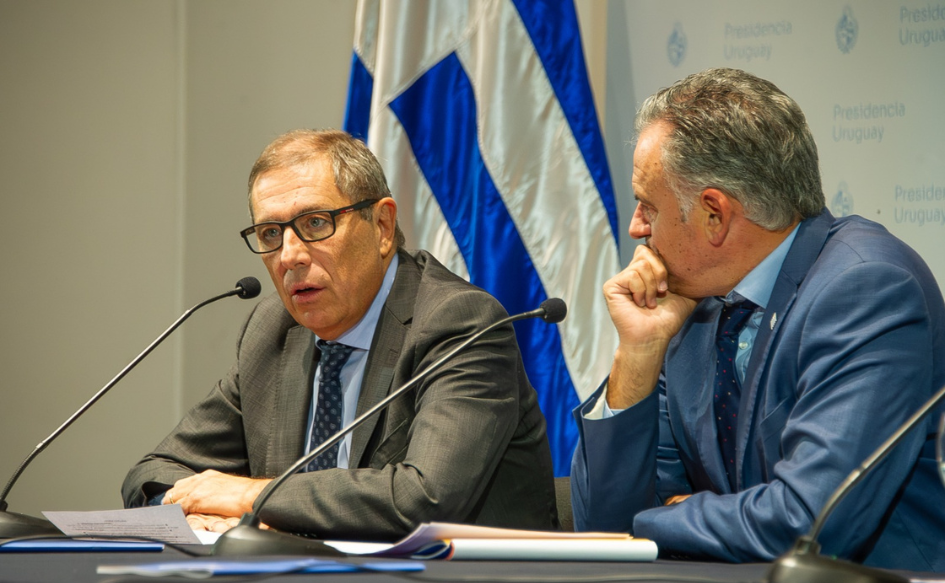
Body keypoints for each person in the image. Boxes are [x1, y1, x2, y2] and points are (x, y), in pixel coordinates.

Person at [571, 68, 945, 571]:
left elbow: (809, 523)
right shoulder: (692, 303)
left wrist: (655, 518)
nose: (636, 227)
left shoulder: (866, 289)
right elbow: (601, 528)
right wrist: (636, 354)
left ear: (714, 215)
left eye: (647, 206)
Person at [123, 129, 558, 540]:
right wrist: (192, 511)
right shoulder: (273, 331)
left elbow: (424, 498)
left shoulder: (458, 324)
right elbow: (153, 472)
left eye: (315, 223)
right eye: (270, 233)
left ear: (382, 227)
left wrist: (251, 498)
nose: (289, 256)